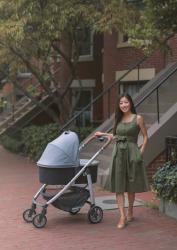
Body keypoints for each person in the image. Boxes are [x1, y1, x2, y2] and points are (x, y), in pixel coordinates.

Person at [95, 93, 149, 229]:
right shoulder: (118, 119)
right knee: (119, 186)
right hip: (118, 153)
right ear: (118, 105)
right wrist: (103, 134)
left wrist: (141, 151)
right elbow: (116, 136)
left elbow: (145, 136)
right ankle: (122, 216)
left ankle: (130, 209)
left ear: (130, 103)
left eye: (126, 102)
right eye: (121, 103)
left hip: (132, 153)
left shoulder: (138, 118)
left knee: (131, 185)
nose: (123, 105)